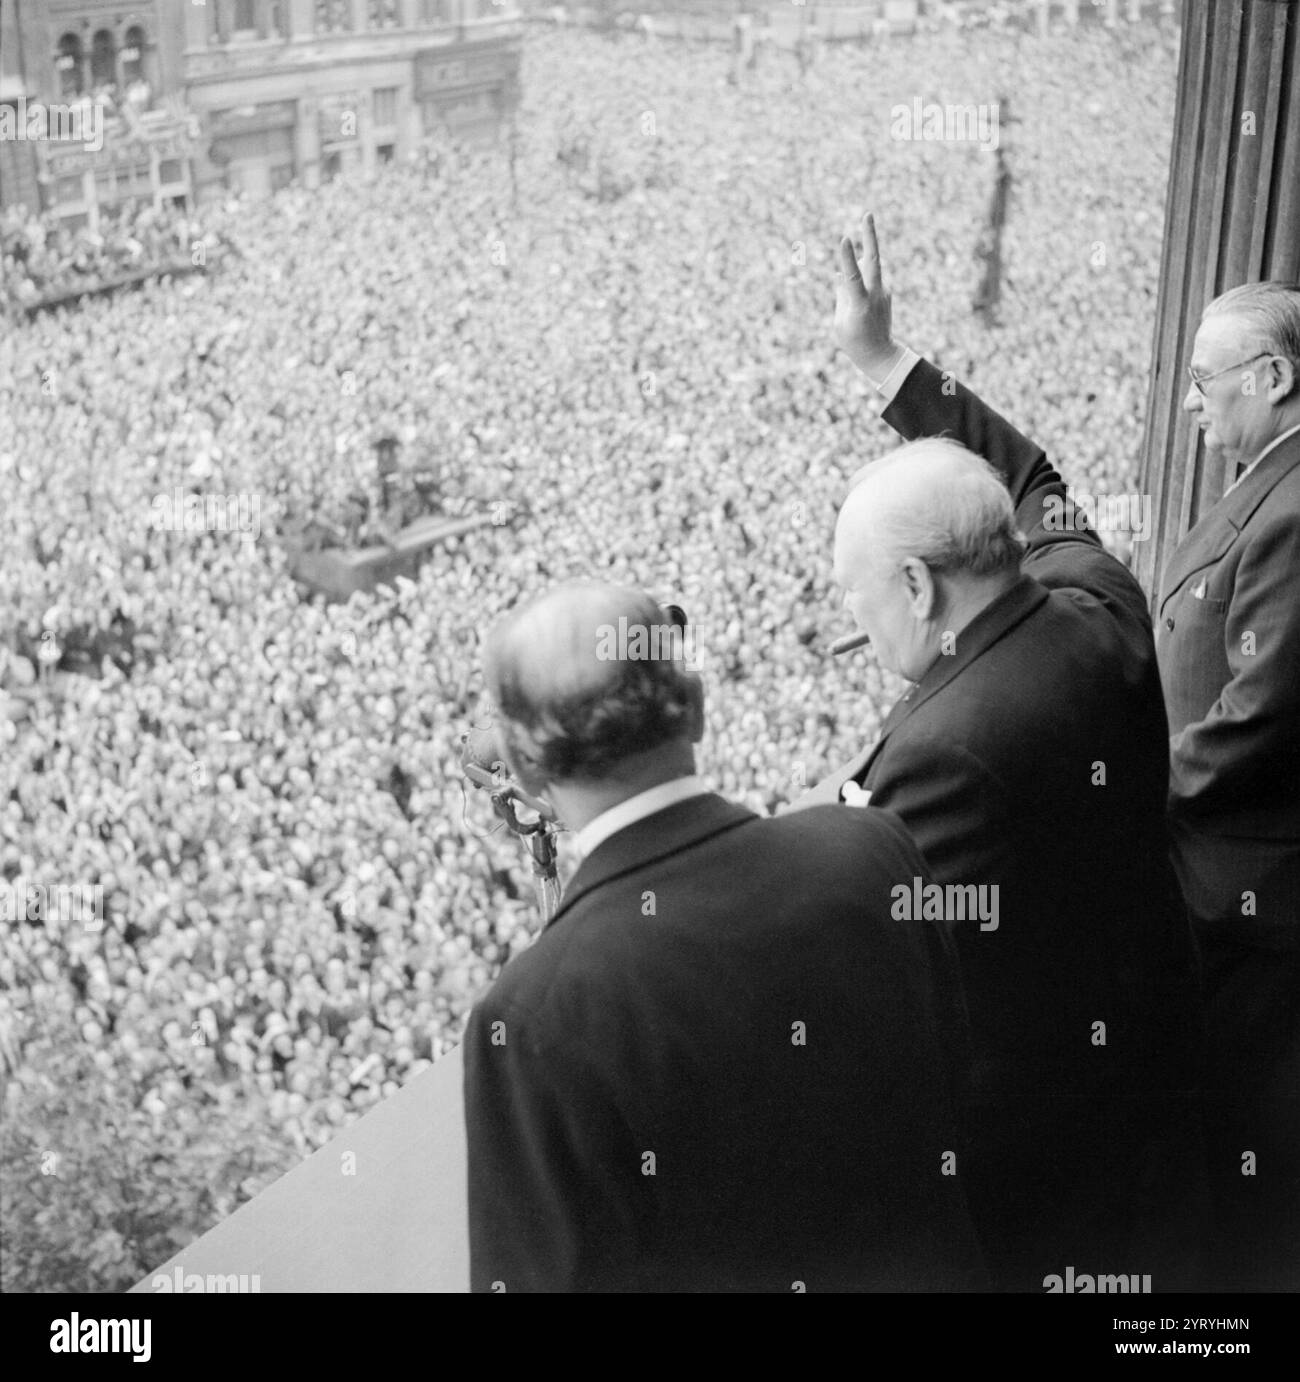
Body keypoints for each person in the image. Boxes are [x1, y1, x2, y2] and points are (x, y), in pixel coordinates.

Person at [801, 213, 1204, 1291]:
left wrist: (826, 813)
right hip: (1159, 1025)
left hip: (1039, 1128)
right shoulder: (1097, 592)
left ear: (921, 586)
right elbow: (1033, 481)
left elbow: (881, 949)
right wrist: (887, 364)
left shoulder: (940, 748)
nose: (856, 617)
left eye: (859, 593)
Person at [462, 580, 987, 1292]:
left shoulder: (532, 1017)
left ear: (525, 772)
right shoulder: (871, 849)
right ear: (700, 709)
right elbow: (961, 1086)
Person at [1163, 282, 1300, 1290]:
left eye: (1204, 380)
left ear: (1275, 377)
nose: (1189, 402)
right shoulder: (1267, 480)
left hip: (1249, 901)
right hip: (1230, 890)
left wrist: (1122, 788)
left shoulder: (1292, 508)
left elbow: (1259, 717)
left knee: (1244, 1159)